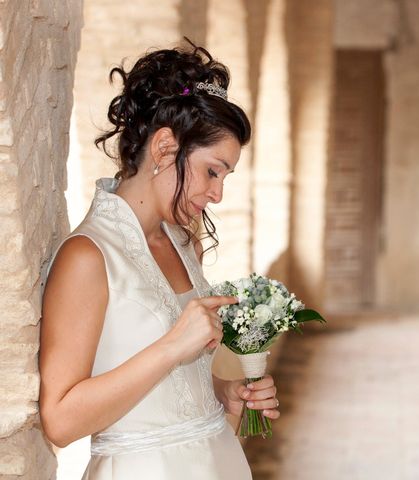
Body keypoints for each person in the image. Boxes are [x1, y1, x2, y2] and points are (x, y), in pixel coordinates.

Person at [39, 41, 280, 479]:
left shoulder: (185, 244)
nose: (217, 194)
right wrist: (173, 346)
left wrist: (222, 392)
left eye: (225, 176)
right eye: (212, 170)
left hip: (218, 461)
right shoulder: (87, 256)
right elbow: (60, 420)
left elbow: (167, 385)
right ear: (165, 147)